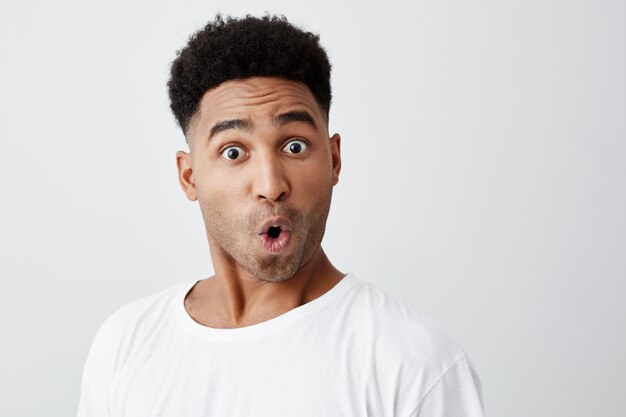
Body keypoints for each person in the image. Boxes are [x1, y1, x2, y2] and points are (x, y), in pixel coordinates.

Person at [77, 14, 485, 417]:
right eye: (233, 152)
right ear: (190, 177)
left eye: (294, 146)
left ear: (334, 159)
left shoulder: (414, 364)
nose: (271, 185)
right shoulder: (125, 344)